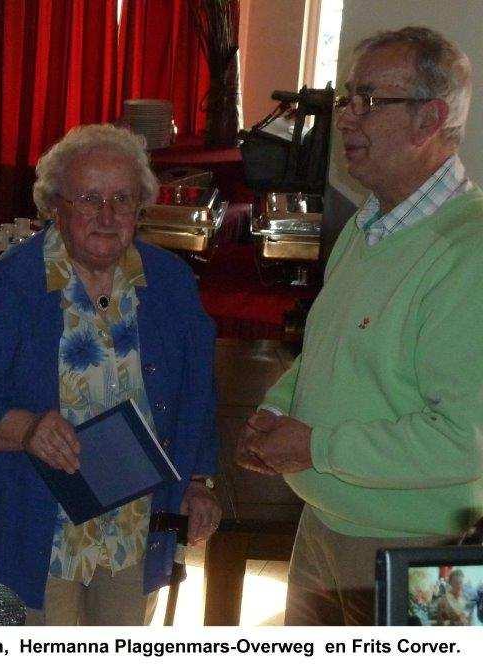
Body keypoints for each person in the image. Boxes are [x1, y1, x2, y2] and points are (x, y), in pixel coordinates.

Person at [236, 27, 483, 626]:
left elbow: (464, 439)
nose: (345, 117)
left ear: (430, 118)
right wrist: (278, 406)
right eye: (349, 97)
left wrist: (316, 445)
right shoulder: (367, 226)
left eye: (369, 100)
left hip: (425, 556)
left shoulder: (470, 251)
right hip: (325, 529)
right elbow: (330, 352)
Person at [0, 123, 220, 625]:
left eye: (122, 199)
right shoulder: (2, 289)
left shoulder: (170, 282)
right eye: (88, 199)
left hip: (136, 522)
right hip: (36, 520)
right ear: (55, 205)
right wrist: (29, 429)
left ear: (142, 205)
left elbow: (197, 391)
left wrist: (196, 479)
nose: (107, 216)